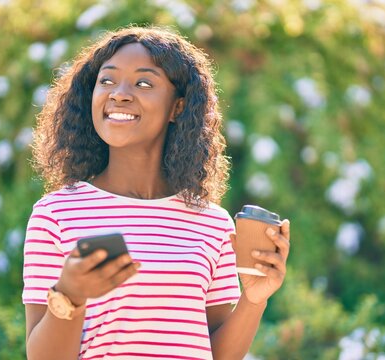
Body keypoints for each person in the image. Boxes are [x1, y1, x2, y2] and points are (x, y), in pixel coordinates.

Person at [23, 25, 290, 360]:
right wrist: (70, 296)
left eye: (143, 83)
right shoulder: (56, 214)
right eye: (107, 80)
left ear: (177, 107)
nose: (119, 93)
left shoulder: (213, 223)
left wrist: (254, 299)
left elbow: (218, 356)